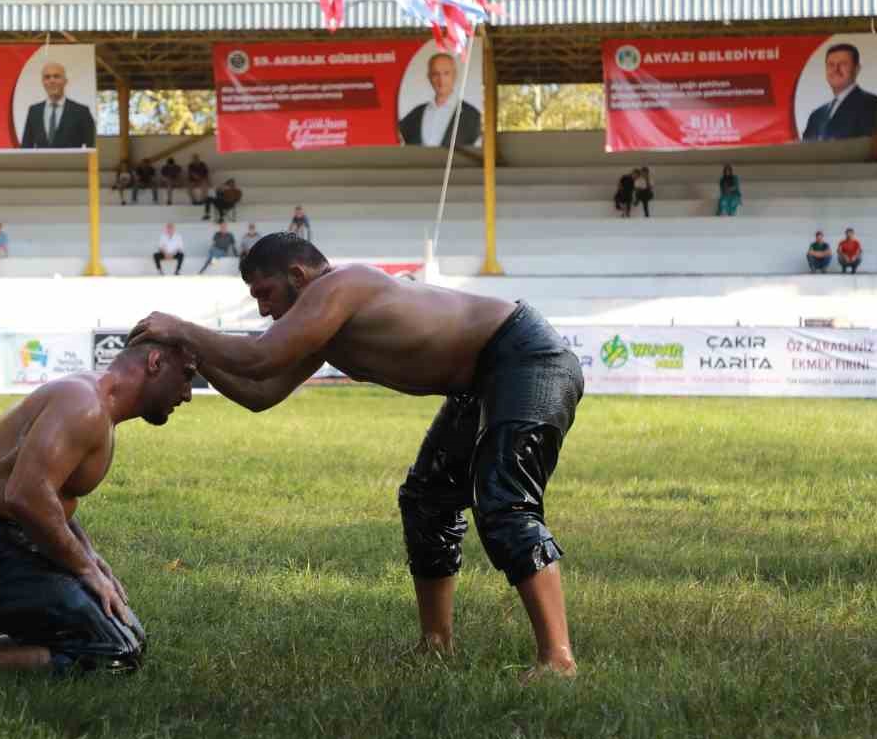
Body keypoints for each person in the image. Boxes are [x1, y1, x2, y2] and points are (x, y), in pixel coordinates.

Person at [130, 234, 585, 681]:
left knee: (504, 503)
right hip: (483, 378)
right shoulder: (323, 324)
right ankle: (436, 644)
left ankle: (557, 660)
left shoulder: (340, 286)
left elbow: (260, 357)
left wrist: (183, 328)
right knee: (426, 500)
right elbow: (259, 392)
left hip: (527, 358)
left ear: (298, 274)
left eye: (265, 294)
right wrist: (195, 354)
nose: (264, 309)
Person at [0, 340, 197, 675]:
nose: (187, 393)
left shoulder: (94, 407)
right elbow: (26, 495)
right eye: (186, 376)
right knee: (116, 652)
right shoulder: (83, 404)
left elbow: (50, 498)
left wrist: (91, 558)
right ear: (155, 362)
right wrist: (84, 569)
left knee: (129, 637)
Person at [398, 52, 482, 148]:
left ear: (454, 76)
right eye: (435, 74)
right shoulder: (414, 115)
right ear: (429, 77)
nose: (441, 79)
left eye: (446, 73)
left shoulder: (473, 116)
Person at [800, 43, 877, 141]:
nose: (836, 69)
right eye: (831, 65)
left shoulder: (870, 103)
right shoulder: (816, 115)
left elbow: (869, 147)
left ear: (857, 69)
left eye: (843, 64)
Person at [21, 61, 95, 148]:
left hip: (72, 162)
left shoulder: (81, 112)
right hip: (41, 162)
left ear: (65, 81)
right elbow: (26, 147)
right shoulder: (34, 111)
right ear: (43, 82)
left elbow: (92, 148)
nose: (52, 81)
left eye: (56, 76)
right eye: (47, 77)